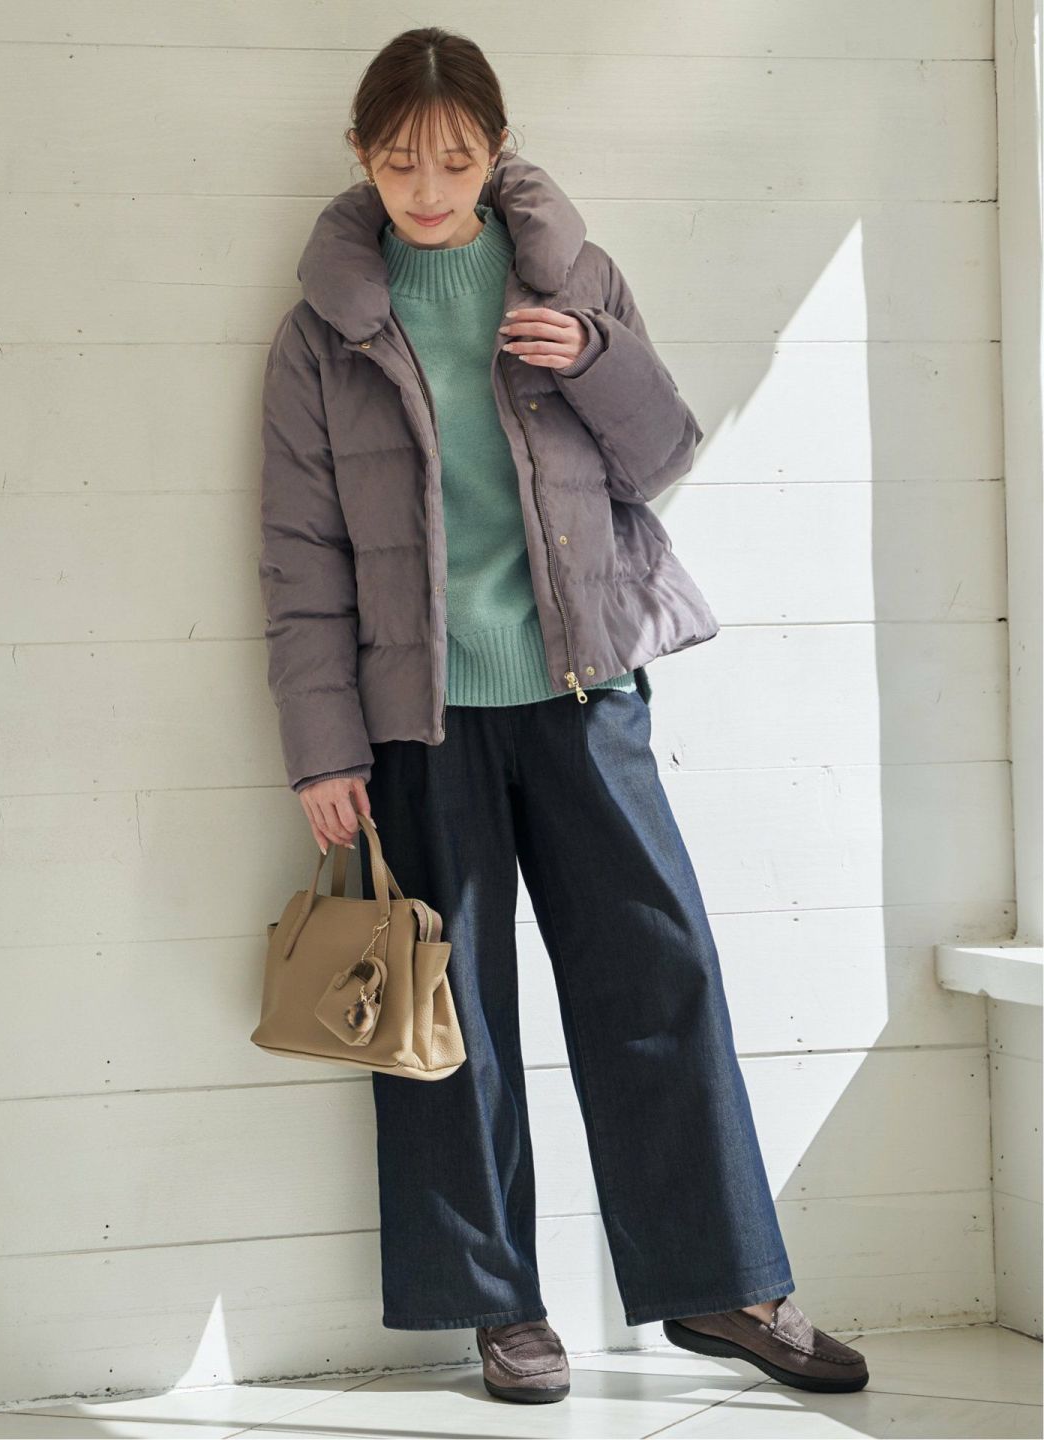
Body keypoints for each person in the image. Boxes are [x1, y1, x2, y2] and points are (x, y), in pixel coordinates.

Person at [257, 25, 869, 1403]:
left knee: (662, 974)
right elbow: (298, 558)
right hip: (421, 723)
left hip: (586, 692)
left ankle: (725, 1287)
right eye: (401, 161)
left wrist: (593, 355)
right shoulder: (323, 335)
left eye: (455, 158)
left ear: (497, 148)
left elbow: (663, 456)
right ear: (362, 156)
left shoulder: (573, 280)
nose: (429, 187)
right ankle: (501, 1308)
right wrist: (323, 750)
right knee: (451, 1013)